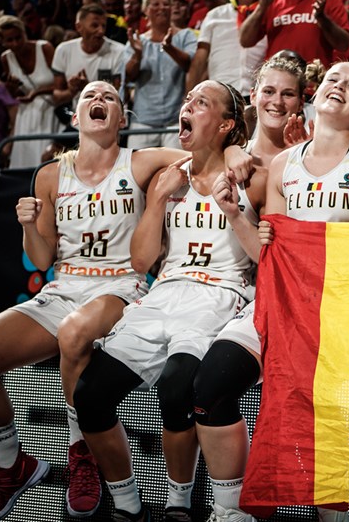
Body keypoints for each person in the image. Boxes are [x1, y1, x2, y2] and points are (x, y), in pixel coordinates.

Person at [0, 81, 245, 521]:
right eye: (90, 96)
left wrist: (239, 153)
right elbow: (43, 257)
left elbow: (211, 155)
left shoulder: (142, 161)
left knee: (78, 336)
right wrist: (28, 227)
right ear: (74, 117)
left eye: (110, 97)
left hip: (121, 288)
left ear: (122, 120)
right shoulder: (49, 175)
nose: (99, 101)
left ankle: (80, 452)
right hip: (64, 289)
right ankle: (11, 467)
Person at [74, 81, 263, 522]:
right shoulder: (168, 177)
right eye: (188, 100)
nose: (188, 106)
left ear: (226, 125)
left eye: (202, 103)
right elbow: (141, 260)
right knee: (89, 397)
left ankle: (180, 503)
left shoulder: (251, 176)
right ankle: (127, 503)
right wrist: (158, 197)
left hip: (221, 294)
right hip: (165, 292)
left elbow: (264, 256)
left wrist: (235, 192)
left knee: (177, 388)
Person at [255, 60, 349, 522]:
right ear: (313, 94)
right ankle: (331, 511)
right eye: (332, 80)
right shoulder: (283, 164)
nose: (339, 86)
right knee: (319, 420)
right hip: (299, 312)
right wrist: (253, 229)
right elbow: (272, 252)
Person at [189, 55, 308, 522]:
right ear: (253, 97)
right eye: (269, 91)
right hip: (243, 294)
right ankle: (229, 510)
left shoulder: (319, 150)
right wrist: (237, 152)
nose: (277, 101)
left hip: (306, 300)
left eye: (289, 93)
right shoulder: (231, 148)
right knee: (205, 390)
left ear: (303, 100)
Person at [124, 0, 198, 149]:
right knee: (138, 172)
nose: (162, 7)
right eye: (155, 4)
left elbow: (191, 65)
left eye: (166, 4)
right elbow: (128, 77)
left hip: (176, 119)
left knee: (178, 169)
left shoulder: (186, 36)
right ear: (145, 10)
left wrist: (170, 47)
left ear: (172, 9)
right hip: (143, 121)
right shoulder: (137, 40)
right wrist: (137, 54)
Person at [187, 0, 269, 96]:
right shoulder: (215, 15)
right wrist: (189, 97)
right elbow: (200, 59)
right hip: (220, 96)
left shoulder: (270, 13)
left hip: (260, 96)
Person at [0, 15, 60, 168]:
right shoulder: (6, 58)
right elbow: (14, 95)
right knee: (26, 161)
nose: (15, 43)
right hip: (26, 115)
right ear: (2, 41)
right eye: (9, 40)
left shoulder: (45, 48)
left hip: (51, 111)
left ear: (25, 33)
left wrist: (37, 93)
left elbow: (62, 84)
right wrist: (12, 88)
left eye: (18, 37)